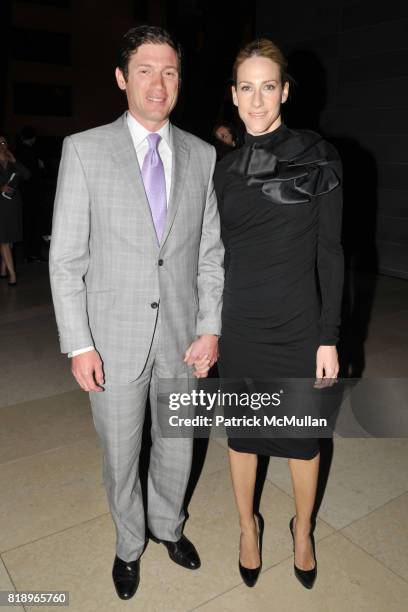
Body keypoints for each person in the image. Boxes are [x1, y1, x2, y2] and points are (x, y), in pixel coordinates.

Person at [49, 25, 224, 601]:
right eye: (145, 70)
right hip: (111, 339)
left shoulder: (202, 156)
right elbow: (67, 258)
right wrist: (79, 344)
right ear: (123, 78)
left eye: (170, 71)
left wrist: (210, 328)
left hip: (182, 338)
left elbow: (210, 254)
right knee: (121, 454)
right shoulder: (84, 149)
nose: (159, 82)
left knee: (178, 445)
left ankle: (168, 526)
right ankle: (129, 545)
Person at [214, 38, 343, 590]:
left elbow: (331, 251)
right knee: (243, 437)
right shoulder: (223, 171)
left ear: (286, 91)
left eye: (269, 86)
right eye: (247, 87)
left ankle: (304, 528)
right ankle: (248, 527)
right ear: (234, 95)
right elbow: (215, 257)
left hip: (297, 324)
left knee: (302, 438)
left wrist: (328, 335)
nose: (258, 99)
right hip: (242, 324)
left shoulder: (318, 155)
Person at [0, 135, 31, 285]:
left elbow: (27, 175)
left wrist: (14, 161)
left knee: (9, 238)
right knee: (4, 239)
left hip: (13, 204)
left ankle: (3, 268)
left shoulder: (13, 161)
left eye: (4, 141)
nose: (1, 144)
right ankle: (13, 275)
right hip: (0, 203)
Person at [16, 126, 46, 262]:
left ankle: (27, 254)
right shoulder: (32, 153)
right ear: (33, 138)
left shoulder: (17, 152)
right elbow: (36, 174)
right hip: (34, 194)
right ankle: (35, 254)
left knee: (26, 224)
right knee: (35, 224)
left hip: (22, 193)